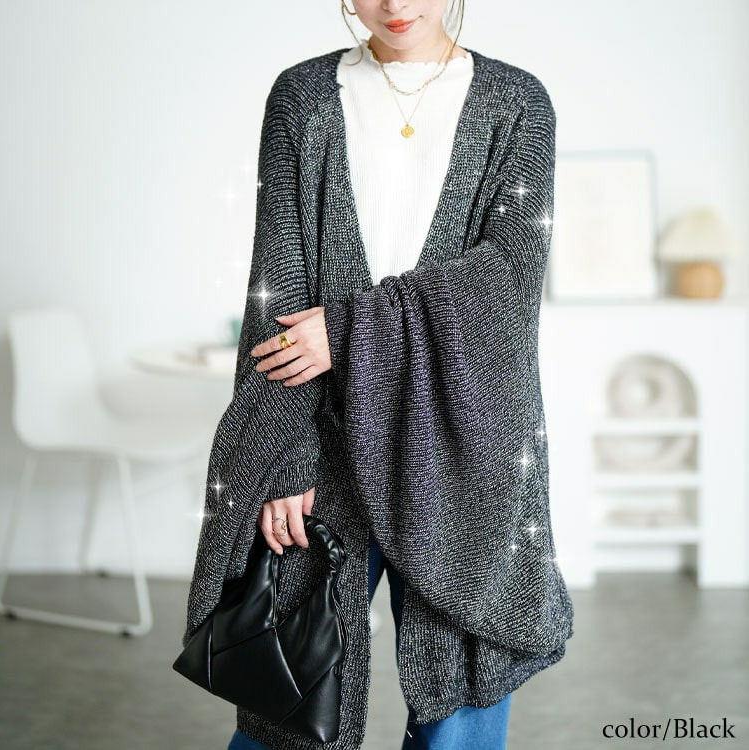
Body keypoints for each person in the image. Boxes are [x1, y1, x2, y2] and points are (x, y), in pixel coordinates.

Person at [182, 1, 575, 748]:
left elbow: (508, 275)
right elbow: (278, 285)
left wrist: (350, 328)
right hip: (322, 432)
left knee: (460, 711)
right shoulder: (302, 97)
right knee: (287, 708)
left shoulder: (517, 102)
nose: (394, 4)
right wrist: (283, 455)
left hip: (463, 442)